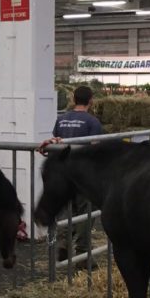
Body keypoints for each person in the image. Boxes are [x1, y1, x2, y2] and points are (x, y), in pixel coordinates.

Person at [48, 86, 103, 261]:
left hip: (64, 172)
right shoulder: (92, 122)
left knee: (68, 209)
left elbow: (56, 142)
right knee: (87, 212)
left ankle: (63, 243)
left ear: (74, 99)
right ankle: (83, 252)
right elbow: (94, 149)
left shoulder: (61, 120)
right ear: (91, 100)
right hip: (83, 174)